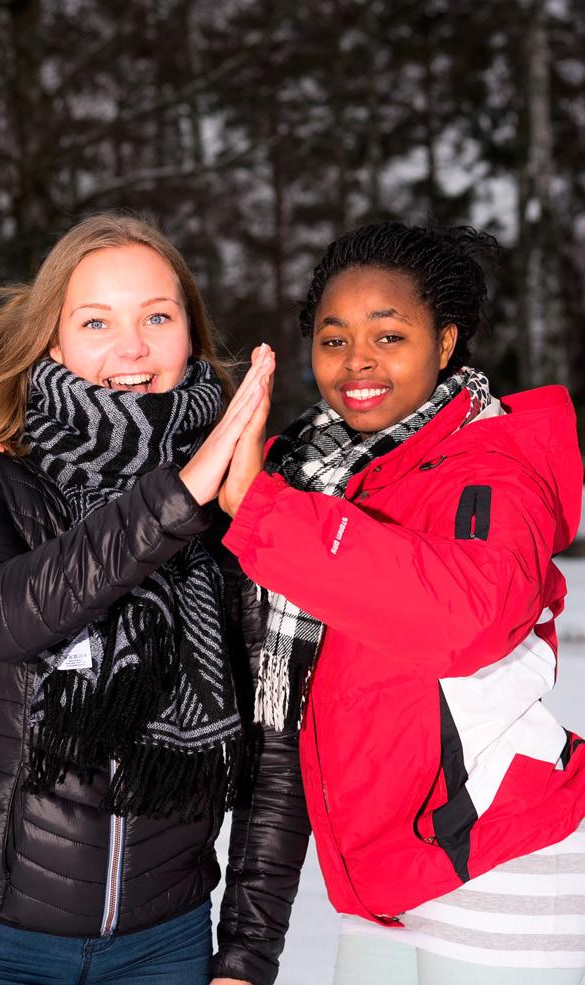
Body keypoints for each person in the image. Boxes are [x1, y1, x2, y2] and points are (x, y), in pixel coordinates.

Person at [0, 212, 310, 985]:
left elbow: (275, 741)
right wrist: (182, 492)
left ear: (190, 330)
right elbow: (3, 616)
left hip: (164, 942)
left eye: (158, 316)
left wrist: (247, 956)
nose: (132, 348)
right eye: (97, 321)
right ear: (53, 340)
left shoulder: (244, 501)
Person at [219, 221, 585, 984]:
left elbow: (469, 614)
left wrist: (265, 512)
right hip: (384, 871)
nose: (358, 362)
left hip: (498, 858)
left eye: (389, 336)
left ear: (446, 342)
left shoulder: (487, 469)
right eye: (334, 338)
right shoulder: (323, 473)